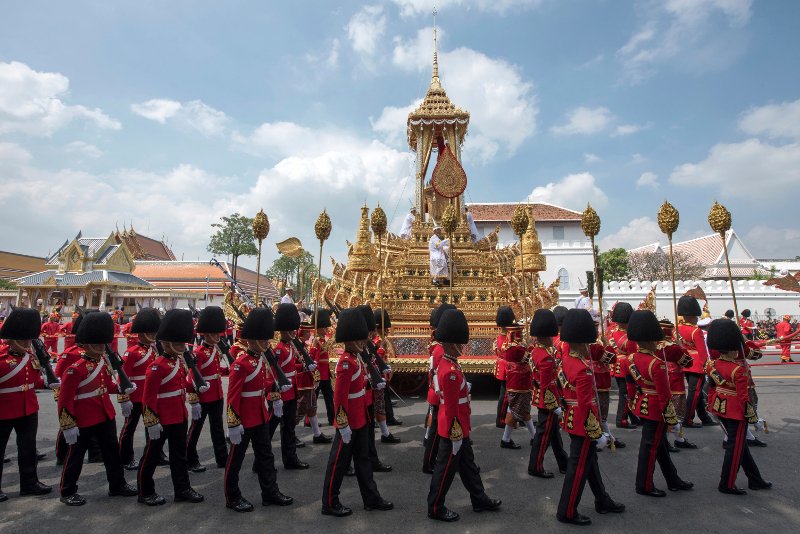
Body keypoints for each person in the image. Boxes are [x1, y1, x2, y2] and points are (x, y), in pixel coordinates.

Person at [427, 308, 501, 522]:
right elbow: (450, 407)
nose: (463, 346)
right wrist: (455, 434)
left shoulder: (450, 364)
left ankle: (479, 498)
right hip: (453, 427)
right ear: (451, 344)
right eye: (460, 343)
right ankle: (435, 507)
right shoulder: (449, 370)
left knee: (468, 466)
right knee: (445, 470)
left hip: (459, 425)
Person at [57, 311, 137, 505]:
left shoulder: (101, 361)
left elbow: (105, 385)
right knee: (75, 456)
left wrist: (120, 388)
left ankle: (117, 484)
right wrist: (68, 425)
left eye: (103, 344)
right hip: (83, 417)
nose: (102, 347)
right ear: (86, 344)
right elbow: (65, 399)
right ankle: (68, 490)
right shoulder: (75, 368)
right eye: (98, 344)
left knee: (112, 453)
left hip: (104, 413)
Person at [321, 308, 393, 517]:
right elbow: (339, 398)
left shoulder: (357, 359)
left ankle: (371, 497)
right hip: (349, 421)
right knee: (338, 464)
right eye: (360, 339)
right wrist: (341, 424)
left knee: (363, 461)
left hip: (361, 417)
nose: (364, 342)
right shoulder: (345, 363)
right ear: (350, 339)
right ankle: (330, 502)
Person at [556, 309, 624, 526]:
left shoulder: (567, 361)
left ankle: (602, 499)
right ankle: (567, 510)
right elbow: (586, 405)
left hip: (572, 419)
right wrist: (597, 434)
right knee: (578, 469)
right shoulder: (583, 370)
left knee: (589, 463)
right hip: (584, 424)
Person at [225, 307, 293, 512]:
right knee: (235, 460)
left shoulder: (261, 360)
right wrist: (233, 423)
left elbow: (263, 385)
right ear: (251, 339)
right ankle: (232, 496)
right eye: (263, 339)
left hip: (261, 415)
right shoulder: (241, 364)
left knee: (266, 457)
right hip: (244, 419)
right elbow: (233, 396)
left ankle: (270, 492)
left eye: (267, 339)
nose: (266, 342)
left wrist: (275, 396)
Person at [138, 309, 204, 506]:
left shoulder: (179, 362)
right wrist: (151, 421)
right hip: (161, 418)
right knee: (150, 456)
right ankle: (145, 491)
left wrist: (194, 396)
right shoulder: (157, 366)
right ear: (166, 343)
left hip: (178, 415)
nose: (181, 346)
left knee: (179, 456)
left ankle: (182, 489)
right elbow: (148, 397)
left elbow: (183, 384)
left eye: (181, 343)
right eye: (177, 343)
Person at [627, 310, 694, 498]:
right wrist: (671, 416)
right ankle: (644, 485)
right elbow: (664, 394)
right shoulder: (657, 364)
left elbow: (630, 383)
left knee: (660, 446)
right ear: (651, 339)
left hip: (642, 404)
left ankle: (673, 479)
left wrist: (632, 400)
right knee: (650, 448)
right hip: (657, 409)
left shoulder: (632, 358)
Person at [705, 319, 772, 495]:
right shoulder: (738, 370)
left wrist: (711, 405)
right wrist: (753, 418)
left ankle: (755, 479)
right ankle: (726, 483)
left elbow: (711, 387)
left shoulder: (712, 364)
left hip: (720, 406)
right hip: (736, 411)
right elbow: (744, 397)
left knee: (740, 445)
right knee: (735, 448)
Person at [0, 307, 54, 502]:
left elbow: (34, 381)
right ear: (11, 338)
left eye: (29, 339)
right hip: (3, 409)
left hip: (28, 407)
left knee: (28, 449)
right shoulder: (1, 357)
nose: (27, 343)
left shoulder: (30, 356)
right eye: (23, 339)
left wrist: (48, 383)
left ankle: (29, 483)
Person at [54, 310, 101, 466]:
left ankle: (95, 453)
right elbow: (59, 375)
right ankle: (62, 454)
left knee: (93, 425)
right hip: (73, 395)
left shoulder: (97, 353)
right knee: (67, 426)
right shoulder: (71, 354)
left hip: (91, 396)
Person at [118, 308, 163, 471]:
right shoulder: (131, 353)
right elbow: (122, 378)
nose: (153, 335)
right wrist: (124, 399)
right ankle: (125, 457)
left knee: (152, 425)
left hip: (150, 395)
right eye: (150, 332)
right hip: (135, 397)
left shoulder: (153, 350)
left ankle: (156, 454)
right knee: (129, 428)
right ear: (142, 334)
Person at [185, 306, 229, 472]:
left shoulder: (214, 350)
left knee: (217, 428)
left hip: (216, 394)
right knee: (195, 429)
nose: (219, 335)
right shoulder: (199, 353)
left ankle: (222, 457)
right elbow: (192, 378)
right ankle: (190, 458)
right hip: (203, 396)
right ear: (207, 333)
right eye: (216, 333)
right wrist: (194, 399)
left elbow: (216, 371)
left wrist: (227, 370)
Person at [269, 303, 311, 469]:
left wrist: (305, 366)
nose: (294, 331)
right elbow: (273, 374)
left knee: (289, 428)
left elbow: (292, 368)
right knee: (270, 428)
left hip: (291, 390)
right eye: (291, 329)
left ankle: (290, 458)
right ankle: (260, 460)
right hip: (280, 392)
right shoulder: (278, 349)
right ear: (283, 330)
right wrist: (275, 396)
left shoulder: (290, 346)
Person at [528, 308, 568, 478]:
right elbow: (547, 384)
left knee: (553, 434)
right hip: (549, 400)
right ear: (547, 335)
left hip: (542, 397)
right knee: (543, 435)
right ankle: (536, 466)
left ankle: (563, 463)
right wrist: (555, 405)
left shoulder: (537, 351)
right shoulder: (546, 356)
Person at [422, 303, 455, 474]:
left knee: (435, 431)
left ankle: (432, 462)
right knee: (435, 433)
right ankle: (428, 463)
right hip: (438, 394)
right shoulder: (441, 351)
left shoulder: (438, 348)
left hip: (435, 393)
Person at [677, 296, 715, 426]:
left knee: (695, 392)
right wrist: (708, 366)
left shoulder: (677, 328)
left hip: (685, 362)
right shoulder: (695, 330)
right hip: (697, 364)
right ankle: (688, 418)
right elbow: (702, 351)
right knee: (695, 393)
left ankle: (704, 417)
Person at [659, 319, 696, 450]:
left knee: (664, 411)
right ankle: (668, 440)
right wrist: (682, 347)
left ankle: (679, 438)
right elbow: (688, 363)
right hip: (675, 381)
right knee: (676, 411)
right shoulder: (674, 347)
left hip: (660, 381)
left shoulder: (654, 346)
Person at [295, 321, 331, 444]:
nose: (309, 335)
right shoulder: (296, 346)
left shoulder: (302, 345)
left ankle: (317, 433)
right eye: (307, 332)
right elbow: (292, 365)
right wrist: (305, 366)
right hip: (301, 381)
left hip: (309, 378)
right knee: (300, 409)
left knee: (312, 407)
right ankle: (290, 434)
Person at [500, 323, 533, 449]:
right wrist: (530, 347)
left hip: (515, 383)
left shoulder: (510, 347)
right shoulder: (517, 349)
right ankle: (506, 438)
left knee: (519, 410)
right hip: (520, 383)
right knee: (518, 410)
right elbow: (528, 359)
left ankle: (506, 438)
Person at [609, 302, 638, 429]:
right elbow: (633, 353)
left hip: (616, 365)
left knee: (626, 393)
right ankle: (621, 419)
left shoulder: (612, 332)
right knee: (627, 394)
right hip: (627, 366)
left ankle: (632, 417)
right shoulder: (630, 336)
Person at [311, 309, 335, 426]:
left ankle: (332, 417)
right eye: (324, 327)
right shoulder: (316, 341)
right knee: (313, 398)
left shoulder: (321, 340)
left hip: (325, 372)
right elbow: (314, 359)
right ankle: (309, 421)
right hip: (318, 373)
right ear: (319, 327)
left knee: (329, 397)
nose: (326, 329)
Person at [494, 306, 515, 429]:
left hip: (504, 366)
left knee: (509, 394)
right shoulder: (507, 338)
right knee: (506, 395)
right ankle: (501, 419)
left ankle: (513, 416)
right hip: (508, 367)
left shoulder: (502, 336)